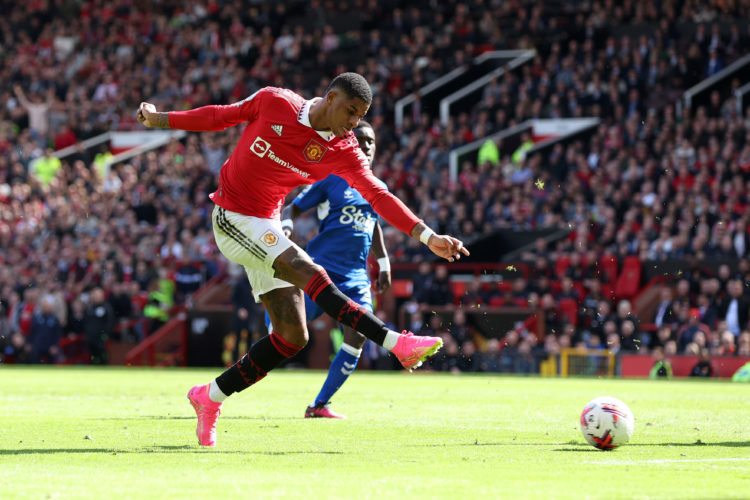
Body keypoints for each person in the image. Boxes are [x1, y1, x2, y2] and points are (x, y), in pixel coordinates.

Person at [137, 72, 469, 446]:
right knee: (310, 270)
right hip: (231, 216)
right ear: (330, 97)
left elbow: (378, 196)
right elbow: (220, 116)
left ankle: (209, 397)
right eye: (350, 111)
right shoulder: (275, 102)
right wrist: (161, 118)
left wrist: (427, 235)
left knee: (292, 336)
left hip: (267, 224)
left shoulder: (344, 150)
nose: (353, 122)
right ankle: (396, 343)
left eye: (360, 116)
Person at [261, 120, 391, 419]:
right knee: (287, 335)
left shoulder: (377, 186)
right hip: (323, 270)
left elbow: (374, 223)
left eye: (371, 141)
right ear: (350, 143)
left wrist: (383, 263)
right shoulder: (331, 179)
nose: (367, 146)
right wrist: (288, 224)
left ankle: (320, 405)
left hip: (357, 275)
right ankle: (271, 316)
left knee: (358, 334)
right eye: (361, 140)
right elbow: (294, 205)